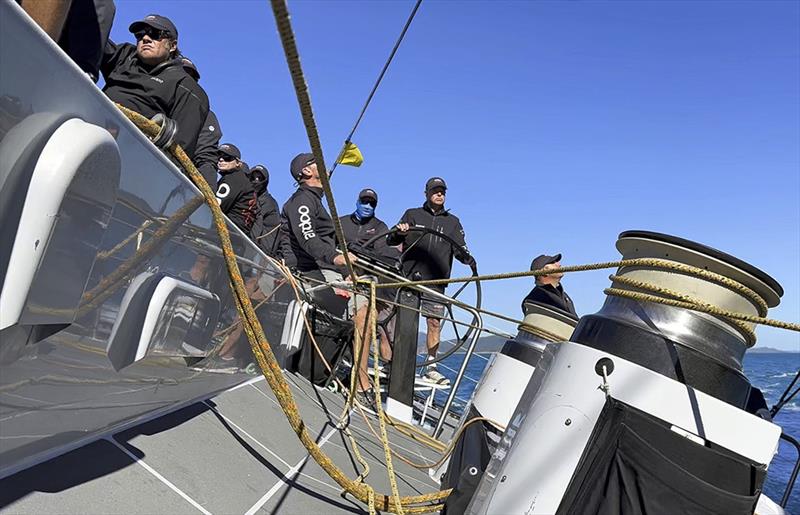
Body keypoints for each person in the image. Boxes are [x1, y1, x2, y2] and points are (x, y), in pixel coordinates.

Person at [281, 153, 381, 407]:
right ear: (305, 172)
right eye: (316, 162)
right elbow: (308, 238)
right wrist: (336, 258)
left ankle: (352, 374)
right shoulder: (302, 200)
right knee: (361, 309)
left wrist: (346, 270)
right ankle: (359, 383)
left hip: (326, 271)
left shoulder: (315, 201)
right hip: (308, 272)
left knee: (366, 305)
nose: (323, 166)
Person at [388, 177, 475, 386]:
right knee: (403, 322)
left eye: (442, 191)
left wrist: (468, 258)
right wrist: (399, 232)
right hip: (409, 279)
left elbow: (461, 248)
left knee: (434, 323)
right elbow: (391, 239)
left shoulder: (453, 222)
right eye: (435, 190)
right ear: (426, 193)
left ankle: (431, 366)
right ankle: (394, 362)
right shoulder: (412, 214)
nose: (439, 194)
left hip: (436, 283)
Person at [100, 14, 209, 159]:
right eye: (139, 35)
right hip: (92, 123)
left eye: (155, 34)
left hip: (132, 156)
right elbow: (91, 37)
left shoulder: (187, 88)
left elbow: (179, 153)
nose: (145, 38)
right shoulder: (124, 56)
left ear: (173, 45)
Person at [338, 188, 398, 372]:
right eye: (364, 201)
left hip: (365, 278)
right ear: (357, 201)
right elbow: (327, 248)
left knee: (368, 316)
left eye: (371, 203)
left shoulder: (380, 227)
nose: (367, 205)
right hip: (338, 273)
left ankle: (369, 370)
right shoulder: (340, 222)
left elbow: (384, 255)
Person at [181, 57, 221, 188]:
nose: (186, 80)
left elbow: (206, 158)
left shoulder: (205, 115)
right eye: (181, 74)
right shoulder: (151, 96)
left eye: (191, 77)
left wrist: (208, 200)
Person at [215, 143, 259, 236]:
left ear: (238, 163)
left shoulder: (232, 179)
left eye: (227, 157)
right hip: (238, 237)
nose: (221, 159)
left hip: (227, 236)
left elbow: (216, 207)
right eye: (219, 156)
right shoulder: (242, 180)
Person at [249, 164, 285, 258]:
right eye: (253, 177)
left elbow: (257, 228)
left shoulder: (268, 202)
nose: (256, 180)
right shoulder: (252, 198)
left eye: (259, 178)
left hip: (263, 254)